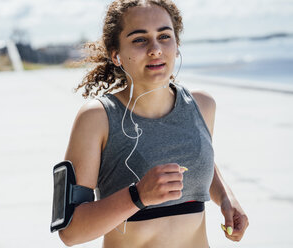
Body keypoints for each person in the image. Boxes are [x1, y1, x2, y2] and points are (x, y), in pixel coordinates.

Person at [59, 0, 249, 247]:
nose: (155, 49)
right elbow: (71, 232)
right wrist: (138, 196)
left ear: (177, 45)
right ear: (116, 54)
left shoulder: (201, 105)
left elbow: (201, 157)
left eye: (164, 36)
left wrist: (226, 198)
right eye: (139, 39)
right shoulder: (97, 118)